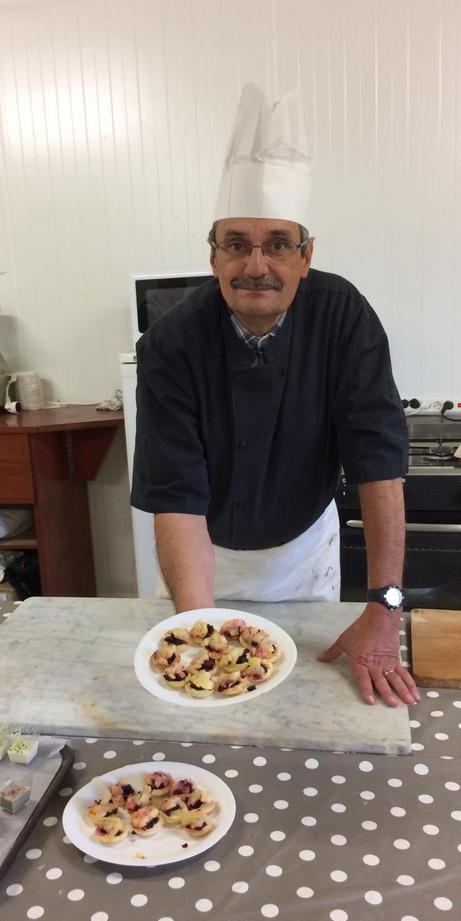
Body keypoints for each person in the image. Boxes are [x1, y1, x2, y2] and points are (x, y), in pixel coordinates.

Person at [131, 85, 419, 708]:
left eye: (278, 244)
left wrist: (385, 606)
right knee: (199, 705)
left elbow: (378, 464)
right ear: (213, 257)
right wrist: (200, 635)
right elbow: (176, 498)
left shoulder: (344, 317)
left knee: (306, 709)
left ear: (306, 255)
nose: (256, 265)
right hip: (201, 560)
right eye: (236, 244)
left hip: (303, 555)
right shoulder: (172, 343)